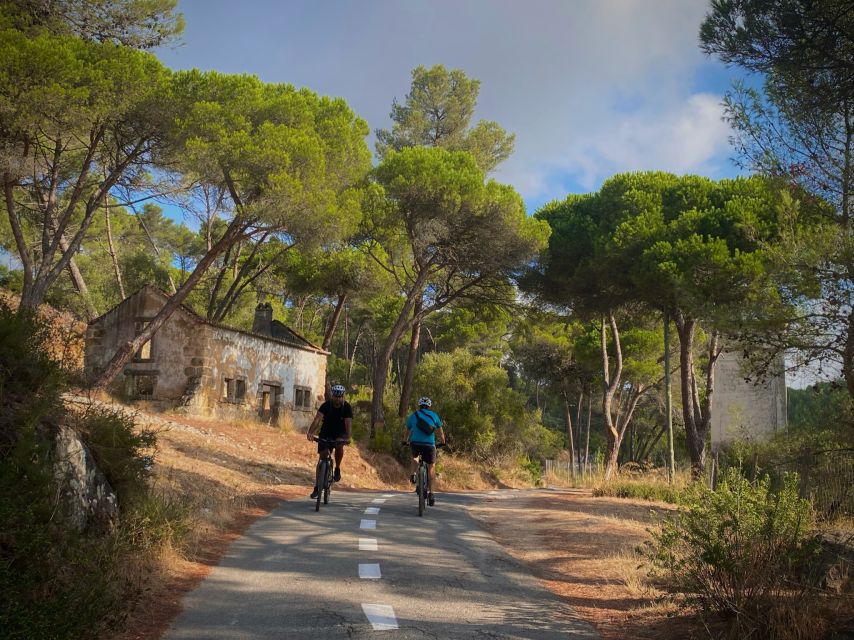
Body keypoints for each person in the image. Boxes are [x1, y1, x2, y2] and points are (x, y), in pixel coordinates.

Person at [306, 384, 352, 499]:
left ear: (343, 396)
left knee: (339, 446)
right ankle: (317, 486)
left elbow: (348, 425)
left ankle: (337, 468)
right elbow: (317, 419)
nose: (338, 399)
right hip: (326, 432)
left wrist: (346, 438)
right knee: (322, 456)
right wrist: (310, 432)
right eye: (336, 396)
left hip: (340, 433)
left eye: (340, 397)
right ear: (333, 396)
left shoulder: (346, 407)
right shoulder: (326, 406)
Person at [404, 396, 446, 506]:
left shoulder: (413, 416)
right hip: (429, 445)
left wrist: (405, 441)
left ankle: (413, 474)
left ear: (419, 405)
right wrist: (443, 442)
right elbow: (440, 432)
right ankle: (432, 494)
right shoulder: (434, 416)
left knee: (415, 457)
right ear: (429, 406)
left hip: (416, 443)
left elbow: (407, 431)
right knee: (431, 467)